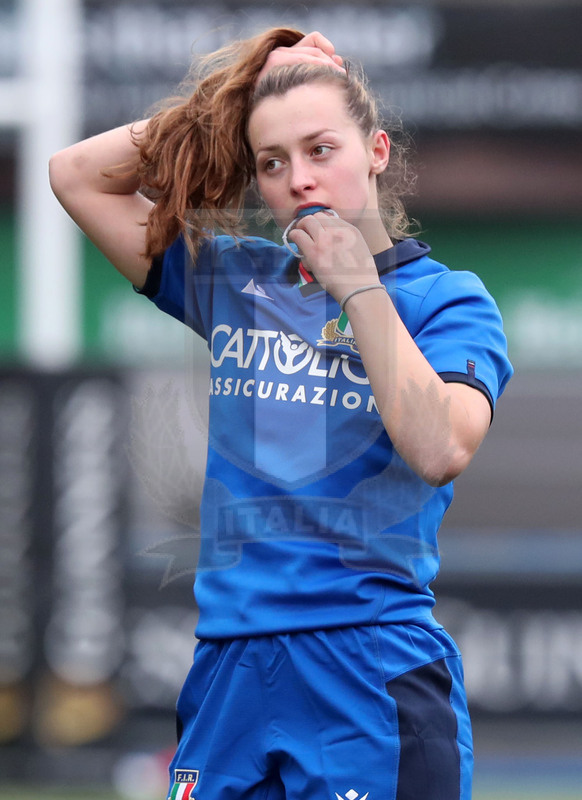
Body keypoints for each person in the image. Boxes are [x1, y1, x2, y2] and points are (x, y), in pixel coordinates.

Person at [50, 27, 512, 800]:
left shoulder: (449, 301)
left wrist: (357, 287)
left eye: (321, 149)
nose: (299, 178)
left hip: (368, 670)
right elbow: (76, 176)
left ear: (377, 150)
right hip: (227, 672)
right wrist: (226, 99)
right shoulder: (236, 281)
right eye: (272, 161)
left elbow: (441, 448)